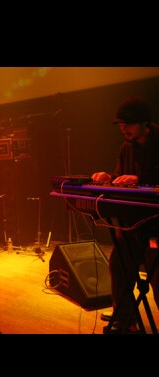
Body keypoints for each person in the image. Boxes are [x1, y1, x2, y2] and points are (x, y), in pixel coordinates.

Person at [91, 95, 159, 334]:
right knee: (119, 263)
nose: (123, 128)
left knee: (158, 274)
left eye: (128, 123)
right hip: (134, 222)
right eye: (120, 124)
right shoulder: (126, 148)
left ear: (145, 123)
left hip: (157, 224)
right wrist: (109, 178)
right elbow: (122, 177)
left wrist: (140, 180)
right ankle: (125, 320)